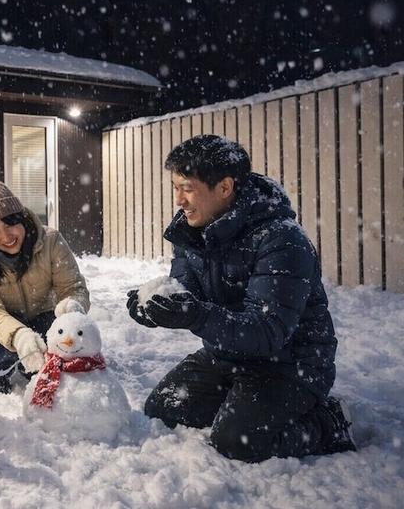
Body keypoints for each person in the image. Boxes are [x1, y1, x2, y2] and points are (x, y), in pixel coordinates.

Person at [128, 134, 356, 462]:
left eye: (187, 188)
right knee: (165, 407)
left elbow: (267, 331)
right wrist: (158, 306)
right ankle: (244, 405)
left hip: (291, 364)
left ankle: (329, 422)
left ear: (225, 187)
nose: (179, 200)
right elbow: (186, 290)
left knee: (239, 442)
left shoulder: (281, 240)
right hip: (226, 355)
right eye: (175, 188)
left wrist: (195, 315)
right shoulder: (192, 231)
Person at [0, 168, 90, 393]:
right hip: (0, 324)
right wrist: (19, 336)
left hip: (42, 316)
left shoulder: (50, 241)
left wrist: (72, 308)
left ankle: (30, 367)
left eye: (9, 224)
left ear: (20, 217)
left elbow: (72, 287)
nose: (5, 237)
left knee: (55, 335)